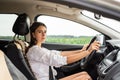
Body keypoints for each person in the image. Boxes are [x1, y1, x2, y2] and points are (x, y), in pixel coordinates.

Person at [26, 22, 100, 80]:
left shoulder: (39, 49)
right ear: (33, 34)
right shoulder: (35, 51)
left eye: (45, 32)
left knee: (84, 74)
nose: (43, 34)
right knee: (85, 77)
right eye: (40, 32)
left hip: (52, 78)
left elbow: (61, 54)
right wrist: (87, 52)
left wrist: (81, 51)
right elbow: (61, 60)